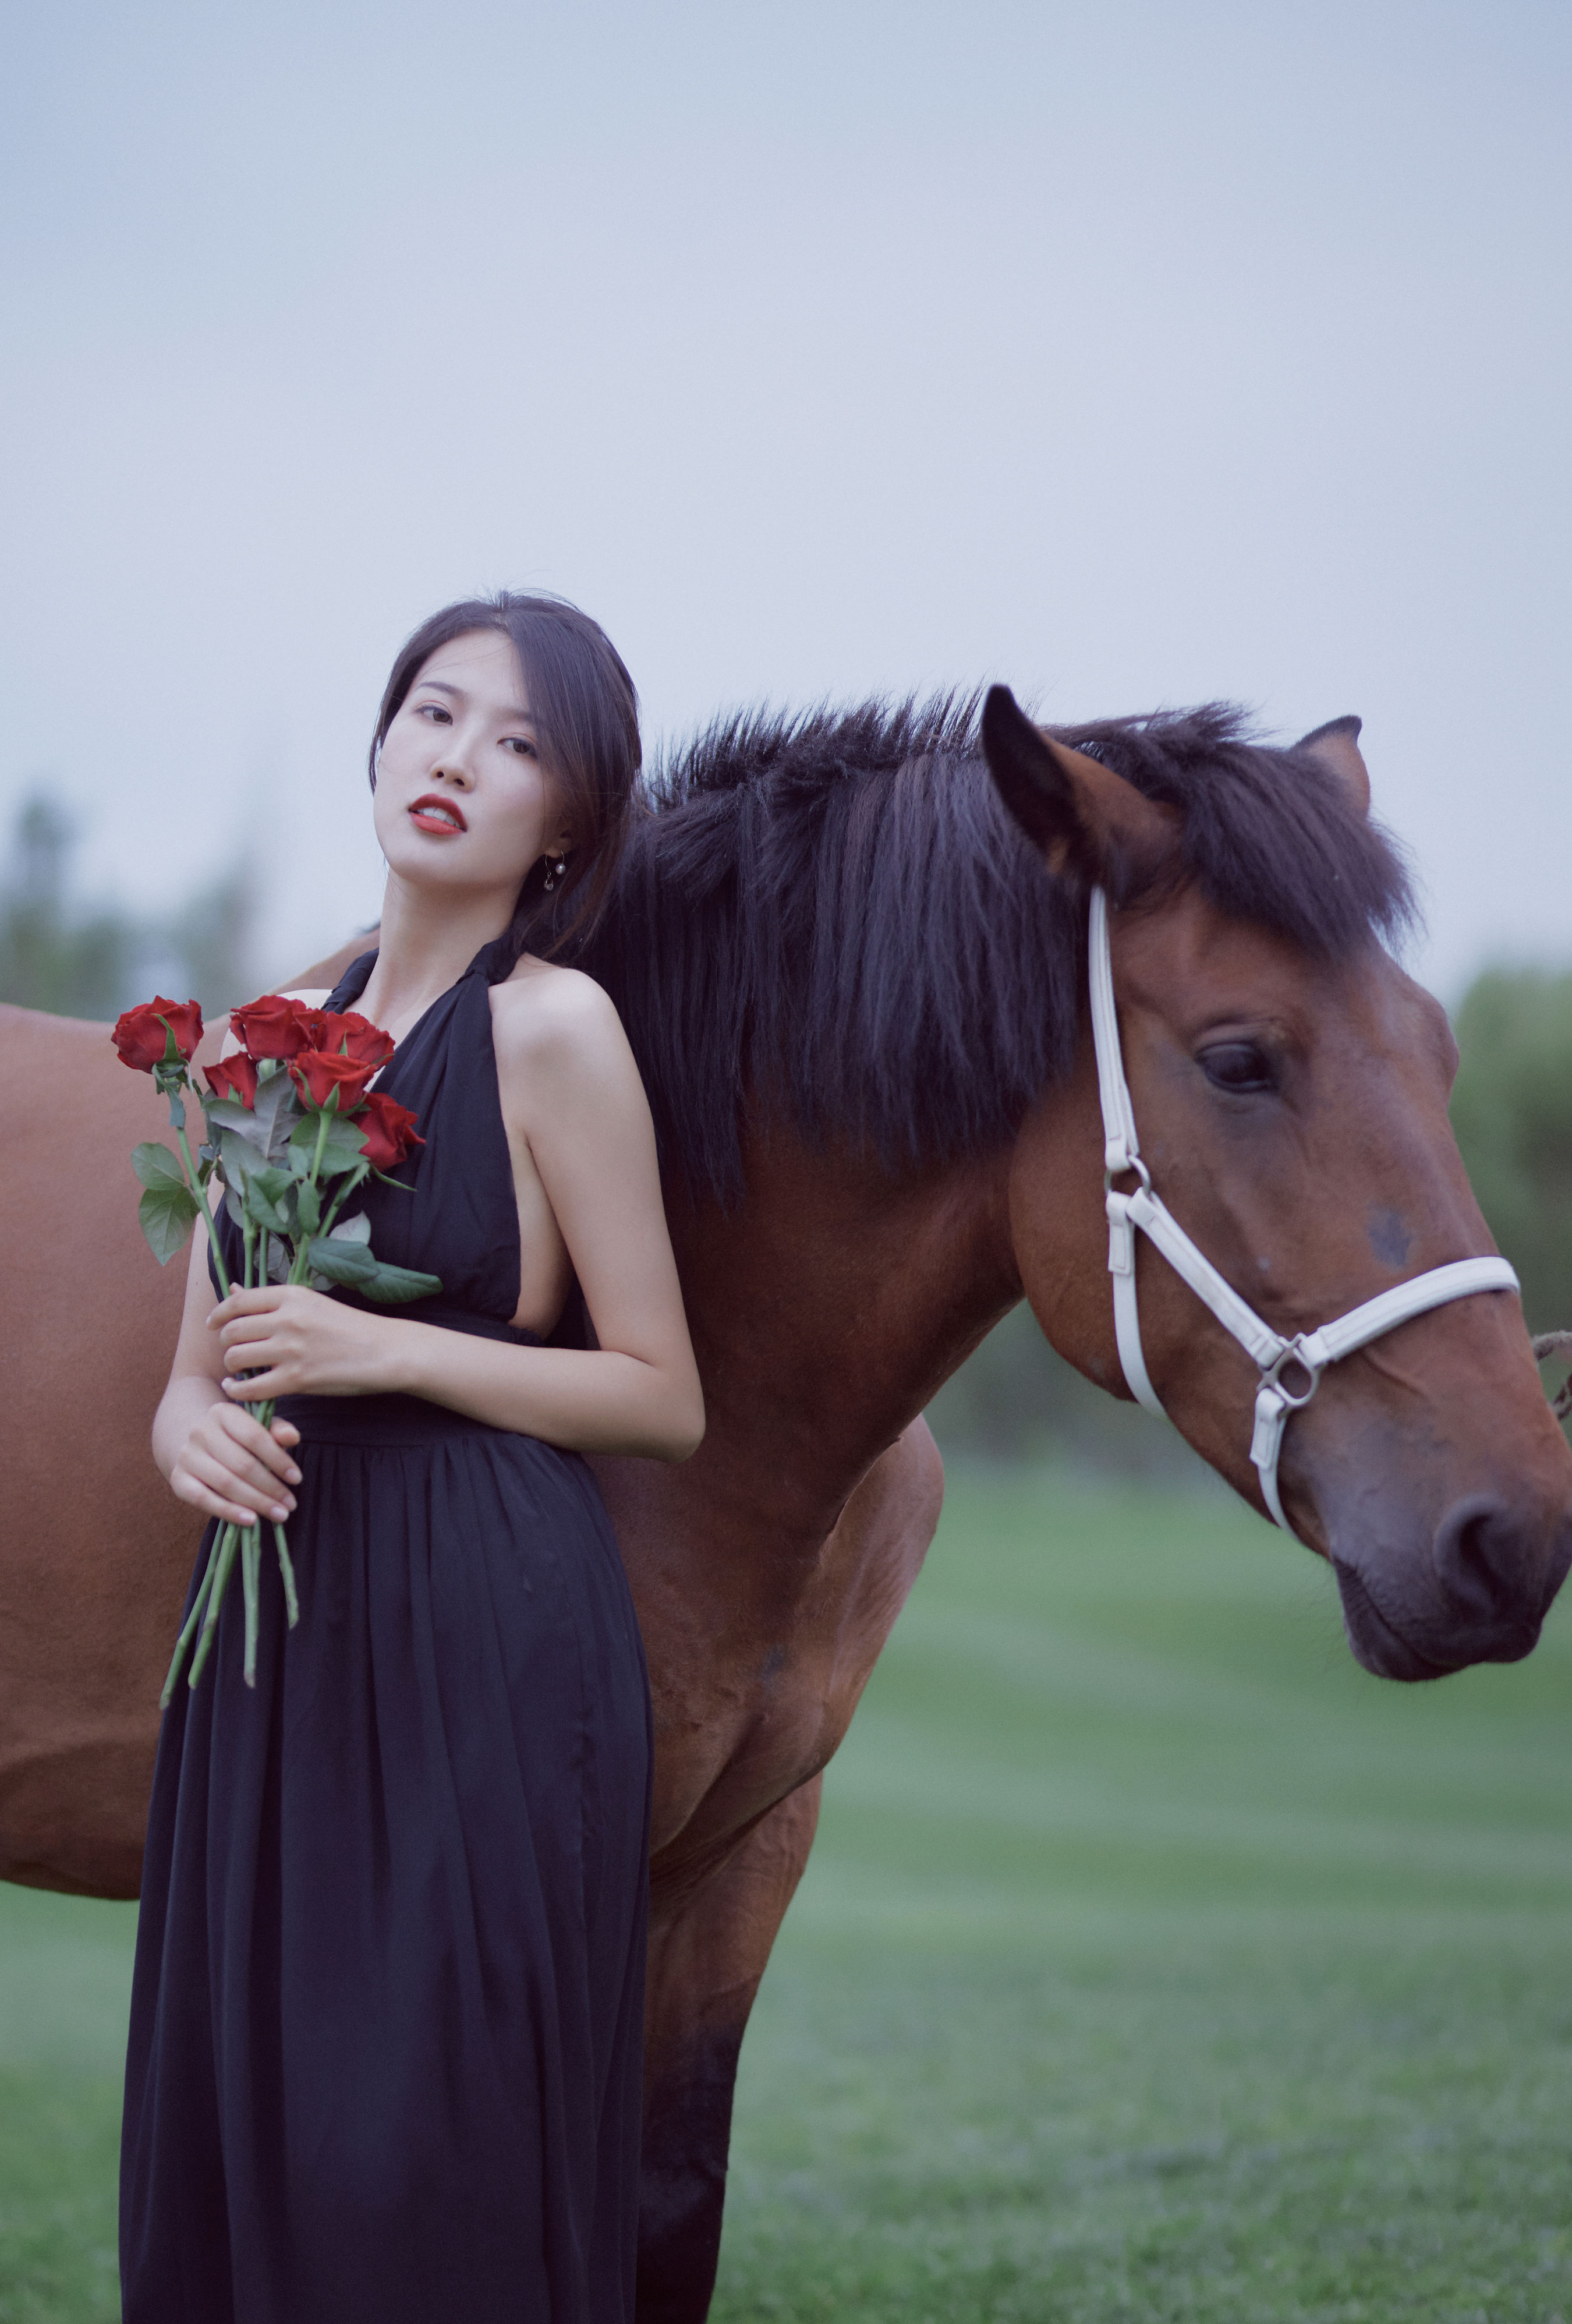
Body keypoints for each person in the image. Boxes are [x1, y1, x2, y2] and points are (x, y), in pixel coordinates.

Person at [121, 593, 703, 2323]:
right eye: (434, 713)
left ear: (571, 819)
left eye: (516, 741)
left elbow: (661, 1392)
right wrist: (187, 1435)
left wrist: (381, 1350)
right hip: (270, 1654)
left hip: (485, 1633)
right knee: (262, 2124)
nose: (458, 757)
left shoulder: (555, 1032)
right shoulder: (271, 1034)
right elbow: (195, 1373)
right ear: (379, 740)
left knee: (418, 2153)